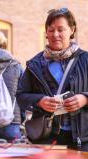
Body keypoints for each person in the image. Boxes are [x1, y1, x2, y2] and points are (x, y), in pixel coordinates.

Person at [17, 8, 88, 151]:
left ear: (72, 30)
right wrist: (40, 101)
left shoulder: (86, 60)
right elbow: (20, 96)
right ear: (46, 33)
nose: (55, 34)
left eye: (61, 29)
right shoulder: (34, 64)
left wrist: (85, 98)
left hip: (83, 139)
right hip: (47, 138)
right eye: (51, 30)